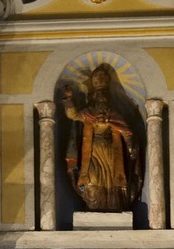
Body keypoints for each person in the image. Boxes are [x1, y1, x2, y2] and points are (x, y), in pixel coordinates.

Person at [61, 64, 143, 212]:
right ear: (94, 100)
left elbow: (126, 132)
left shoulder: (115, 115)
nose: (102, 103)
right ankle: (92, 204)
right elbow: (72, 115)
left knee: (112, 178)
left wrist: (130, 146)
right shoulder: (89, 112)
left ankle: (114, 204)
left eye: (104, 100)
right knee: (92, 178)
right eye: (99, 100)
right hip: (92, 152)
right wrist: (68, 100)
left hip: (112, 152)